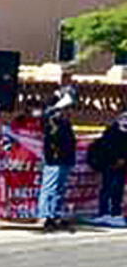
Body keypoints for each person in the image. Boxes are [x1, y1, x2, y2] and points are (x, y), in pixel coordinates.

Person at [39, 86, 77, 233]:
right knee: (50, 188)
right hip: (54, 158)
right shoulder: (51, 119)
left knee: (59, 189)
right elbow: (46, 120)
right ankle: (46, 217)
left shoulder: (64, 122)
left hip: (65, 158)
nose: (68, 111)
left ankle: (56, 215)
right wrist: (56, 107)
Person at [88, 111, 127, 227]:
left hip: (119, 165)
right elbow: (107, 148)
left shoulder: (115, 132)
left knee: (116, 190)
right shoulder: (112, 133)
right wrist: (115, 160)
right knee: (108, 189)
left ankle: (115, 213)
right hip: (110, 165)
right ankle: (105, 213)